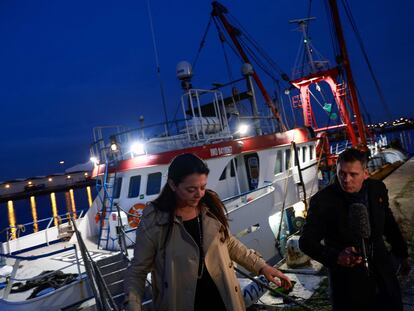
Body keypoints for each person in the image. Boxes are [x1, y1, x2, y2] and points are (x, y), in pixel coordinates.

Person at [124, 153, 291, 311]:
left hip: (224, 300)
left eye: (203, 187)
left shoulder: (209, 205)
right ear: (173, 184)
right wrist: (133, 304)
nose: (199, 194)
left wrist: (262, 267)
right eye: (191, 189)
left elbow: (228, 242)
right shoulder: (154, 220)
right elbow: (138, 270)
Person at [299, 148, 410, 311]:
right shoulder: (322, 201)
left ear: (365, 173)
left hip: (383, 272)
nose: (346, 179)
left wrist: (402, 253)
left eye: (353, 174)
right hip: (347, 283)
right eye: (341, 173)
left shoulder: (377, 189)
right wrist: (337, 256)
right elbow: (306, 242)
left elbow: (389, 223)